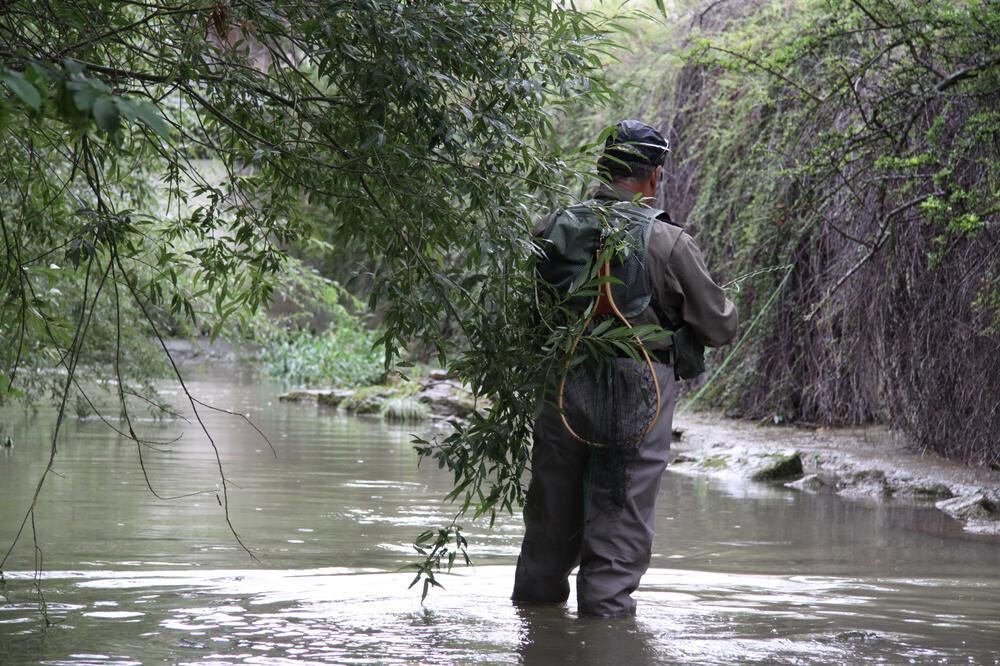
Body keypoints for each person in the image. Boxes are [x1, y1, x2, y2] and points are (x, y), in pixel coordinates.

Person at [511, 119, 738, 617]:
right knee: (616, 540)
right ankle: (606, 641)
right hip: (640, 394)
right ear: (654, 177)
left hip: (562, 383)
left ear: (602, 167)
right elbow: (720, 326)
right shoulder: (669, 242)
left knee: (548, 532)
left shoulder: (550, 229)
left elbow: (527, 319)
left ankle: (536, 641)